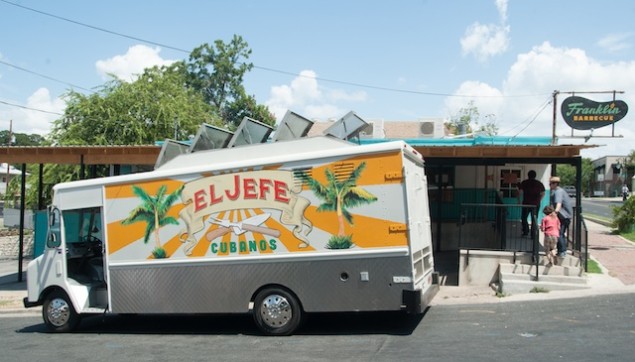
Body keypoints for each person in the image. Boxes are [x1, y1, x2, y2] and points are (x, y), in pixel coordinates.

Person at [549, 176, 573, 258]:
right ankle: (561, 251)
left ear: (555, 184)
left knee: (560, 233)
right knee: (560, 233)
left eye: (551, 184)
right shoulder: (560, 191)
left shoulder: (558, 192)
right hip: (565, 216)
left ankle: (562, 251)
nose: (550, 185)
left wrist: (554, 213)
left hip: (563, 217)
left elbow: (558, 204)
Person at [517, 170, 545, 238]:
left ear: (528, 175)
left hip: (526, 203)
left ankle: (525, 232)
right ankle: (533, 234)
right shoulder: (539, 183)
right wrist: (539, 200)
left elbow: (519, 192)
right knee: (534, 219)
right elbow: (543, 193)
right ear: (535, 175)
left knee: (524, 218)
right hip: (535, 204)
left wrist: (519, 201)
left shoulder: (524, 182)